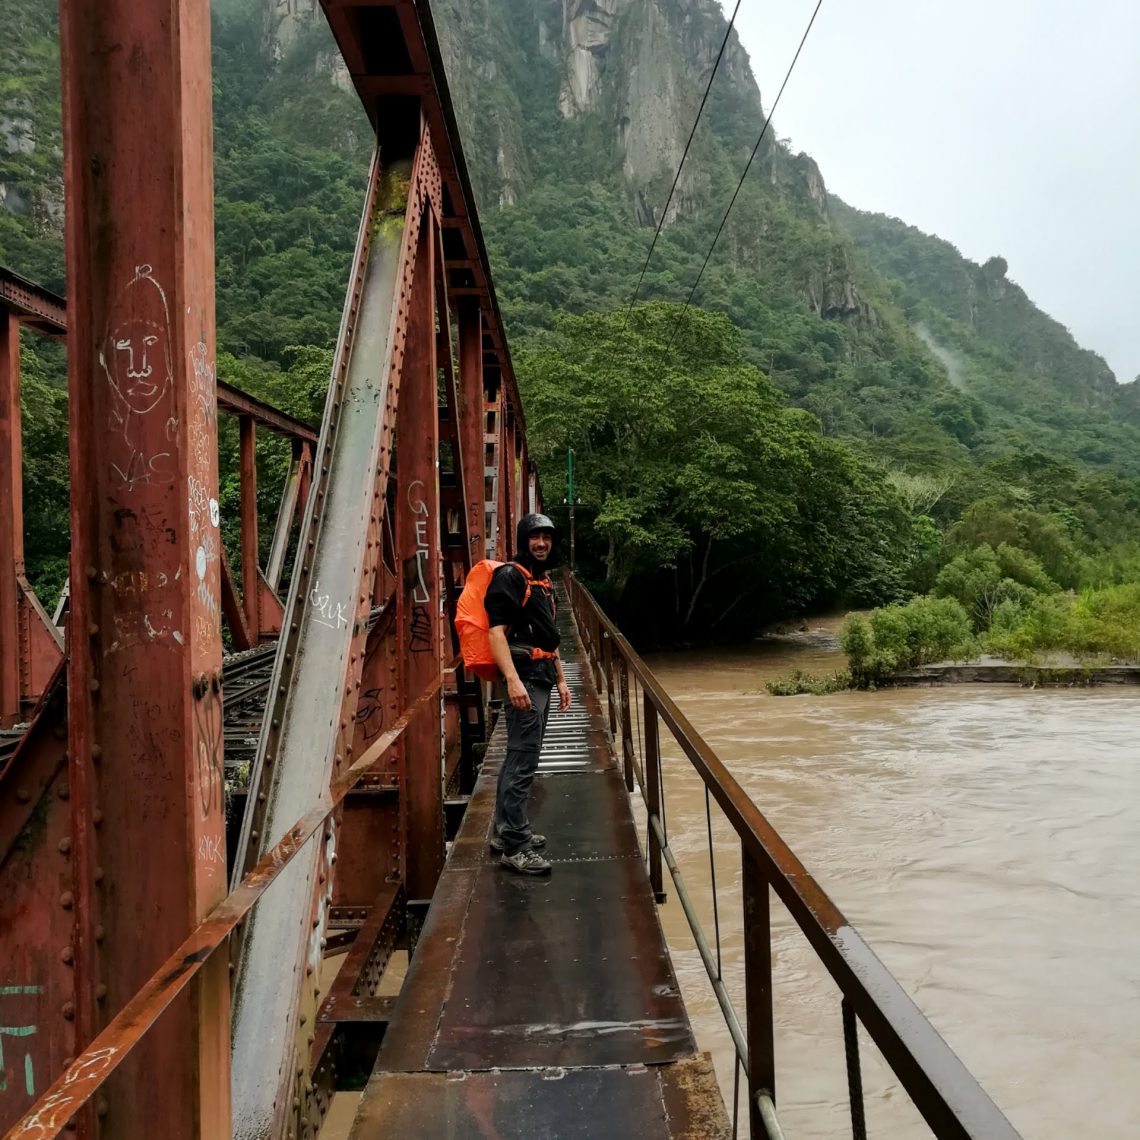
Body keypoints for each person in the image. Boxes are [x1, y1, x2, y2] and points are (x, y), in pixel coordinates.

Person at [484, 512, 572, 875]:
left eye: (546, 538)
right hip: (524, 679)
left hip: (542, 674)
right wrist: (512, 681)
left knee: (518, 756)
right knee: (523, 761)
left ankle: (506, 831)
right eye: (534, 537)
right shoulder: (509, 576)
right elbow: (495, 633)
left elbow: (549, 638)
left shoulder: (542, 580)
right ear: (524, 541)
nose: (541, 544)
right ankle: (516, 847)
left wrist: (562, 680)